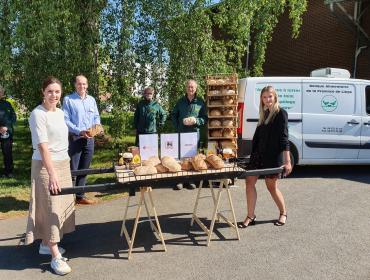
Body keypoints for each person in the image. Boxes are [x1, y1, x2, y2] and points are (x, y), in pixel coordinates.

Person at [25, 76, 75, 275]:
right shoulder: (37, 114)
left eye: (57, 91)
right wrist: (52, 174)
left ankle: (46, 244)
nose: (54, 95)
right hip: (46, 166)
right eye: (50, 91)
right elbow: (43, 147)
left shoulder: (61, 113)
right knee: (49, 206)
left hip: (63, 163)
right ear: (43, 92)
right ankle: (55, 256)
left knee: (58, 206)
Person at [238, 85, 292, 228]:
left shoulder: (281, 113)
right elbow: (259, 137)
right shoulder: (263, 114)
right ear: (261, 99)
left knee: (271, 187)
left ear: (275, 97)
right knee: (249, 182)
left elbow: (284, 138)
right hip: (258, 155)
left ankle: (283, 212)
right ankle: (250, 215)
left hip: (272, 157)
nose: (267, 99)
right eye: (264, 97)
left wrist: (287, 161)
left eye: (270, 96)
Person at [63, 75, 101, 205]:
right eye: (79, 84)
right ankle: (67, 199)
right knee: (73, 169)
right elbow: (65, 120)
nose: (82, 86)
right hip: (76, 137)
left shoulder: (91, 100)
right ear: (75, 85)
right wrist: (80, 131)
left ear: (87, 85)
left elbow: (96, 116)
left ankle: (80, 196)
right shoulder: (68, 99)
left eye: (84, 84)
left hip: (90, 138)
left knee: (85, 168)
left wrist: (97, 127)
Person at [171, 79, 207, 190]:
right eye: (188, 87)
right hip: (182, 133)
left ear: (196, 88)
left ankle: (191, 180)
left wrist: (196, 121)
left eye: (192, 87)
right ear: (186, 88)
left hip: (194, 134)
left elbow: (204, 118)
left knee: (192, 158)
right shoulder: (180, 101)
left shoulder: (200, 102)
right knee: (181, 158)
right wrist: (178, 126)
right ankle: (180, 180)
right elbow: (173, 115)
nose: (190, 89)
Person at [0, 85, 16, 178]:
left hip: (7, 132)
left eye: (1, 91)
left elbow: (13, 117)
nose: (0, 93)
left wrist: (6, 126)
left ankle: (8, 172)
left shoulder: (7, 104)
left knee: (7, 153)